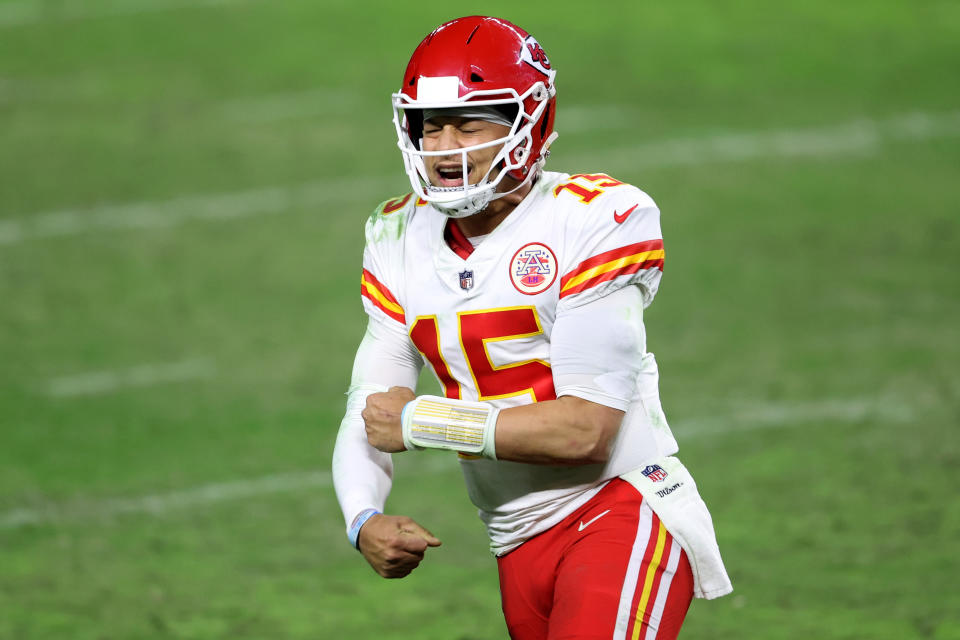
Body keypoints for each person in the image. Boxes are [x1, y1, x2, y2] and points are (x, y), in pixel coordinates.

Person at [332, 15, 732, 640]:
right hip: (514, 541)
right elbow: (370, 406)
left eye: (469, 122)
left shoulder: (595, 219)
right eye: (429, 125)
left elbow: (584, 431)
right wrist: (362, 518)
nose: (444, 146)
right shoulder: (394, 235)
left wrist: (420, 421)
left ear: (528, 122)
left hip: (617, 509)